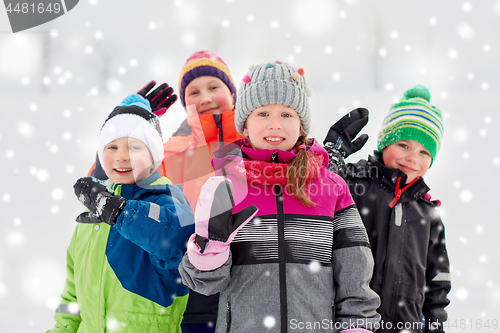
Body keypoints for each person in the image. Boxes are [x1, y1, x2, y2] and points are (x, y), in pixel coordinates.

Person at [179, 61, 381, 333]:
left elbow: (355, 272)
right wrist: (211, 248)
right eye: (262, 114)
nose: (274, 125)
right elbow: (205, 283)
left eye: (287, 115)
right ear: (245, 126)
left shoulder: (332, 187)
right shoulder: (224, 187)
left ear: (301, 127)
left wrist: (357, 327)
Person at [87, 50, 243, 332]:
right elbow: (112, 182)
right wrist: (127, 126)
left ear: (232, 92)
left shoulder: (255, 143)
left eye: (214, 87)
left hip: (251, 273)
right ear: (185, 103)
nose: (205, 97)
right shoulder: (173, 152)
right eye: (193, 92)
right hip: (191, 281)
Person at [47, 94, 195, 333]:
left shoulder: (169, 199)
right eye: (112, 147)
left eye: (135, 146)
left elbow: (178, 239)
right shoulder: (91, 219)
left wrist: (116, 210)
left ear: (154, 155)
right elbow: (72, 293)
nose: (122, 156)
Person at [323, 85, 451, 333]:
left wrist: (435, 325)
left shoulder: (427, 213)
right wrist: (331, 158)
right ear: (384, 143)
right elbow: (315, 191)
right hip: (352, 323)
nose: (413, 157)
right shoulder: (354, 183)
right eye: (404, 145)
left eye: (424, 151)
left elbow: (437, 281)